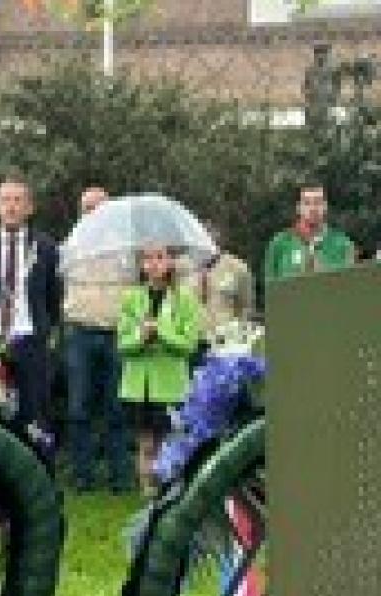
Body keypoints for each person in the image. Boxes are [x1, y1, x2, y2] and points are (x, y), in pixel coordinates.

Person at [0, 172, 62, 445]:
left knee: (34, 415)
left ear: (29, 207)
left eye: (18, 200)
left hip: (30, 340)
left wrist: (43, 329)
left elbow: (55, 297)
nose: (11, 206)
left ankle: (37, 477)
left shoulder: (47, 249)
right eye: (5, 200)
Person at [58, 186, 134, 492]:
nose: (94, 213)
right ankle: (82, 476)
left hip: (117, 333)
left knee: (116, 408)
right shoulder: (68, 248)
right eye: (88, 207)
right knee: (78, 408)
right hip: (80, 332)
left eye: (100, 207)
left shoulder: (127, 249)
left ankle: (120, 477)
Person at [117, 245, 201, 496]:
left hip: (171, 385)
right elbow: (122, 344)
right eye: (148, 258)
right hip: (139, 386)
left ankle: (171, 493)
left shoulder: (184, 298)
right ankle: (148, 493)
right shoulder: (131, 297)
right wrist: (140, 336)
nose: (154, 263)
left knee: (171, 443)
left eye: (160, 257)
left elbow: (188, 344)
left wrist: (161, 331)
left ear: (170, 262)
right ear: (142, 264)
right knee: (146, 445)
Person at [262, 185, 355, 284]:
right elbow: (269, 289)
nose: (313, 208)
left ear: (325, 206)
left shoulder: (343, 244)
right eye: (307, 203)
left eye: (317, 202)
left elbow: (349, 285)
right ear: (298, 208)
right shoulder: (279, 244)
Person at [187, 221, 257, 349]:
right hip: (191, 342)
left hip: (225, 342)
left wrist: (238, 338)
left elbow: (246, 307)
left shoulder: (238, 268)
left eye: (210, 234)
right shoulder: (182, 267)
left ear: (218, 238)